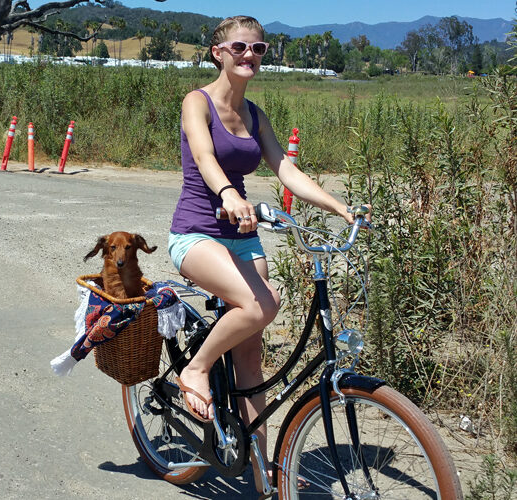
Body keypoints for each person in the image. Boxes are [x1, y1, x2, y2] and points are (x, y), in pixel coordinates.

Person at [167, 15, 369, 496]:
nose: (250, 56)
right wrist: (226, 193)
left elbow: (285, 169)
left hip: (243, 236)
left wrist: (339, 206)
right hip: (196, 233)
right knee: (263, 304)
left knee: (251, 365)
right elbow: (203, 156)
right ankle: (194, 369)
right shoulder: (197, 102)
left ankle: (264, 477)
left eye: (259, 49)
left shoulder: (255, 115)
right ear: (218, 52)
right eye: (240, 47)